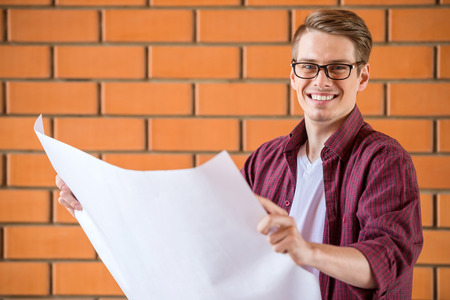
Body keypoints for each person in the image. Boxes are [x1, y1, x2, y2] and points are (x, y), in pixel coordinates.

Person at [57, 9, 423, 299]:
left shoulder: (384, 161)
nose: (321, 81)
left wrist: (306, 251)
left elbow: (386, 260)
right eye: (308, 67)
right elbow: (211, 240)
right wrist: (95, 203)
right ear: (293, 76)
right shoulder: (267, 160)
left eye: (338, 68)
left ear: (362, 77)